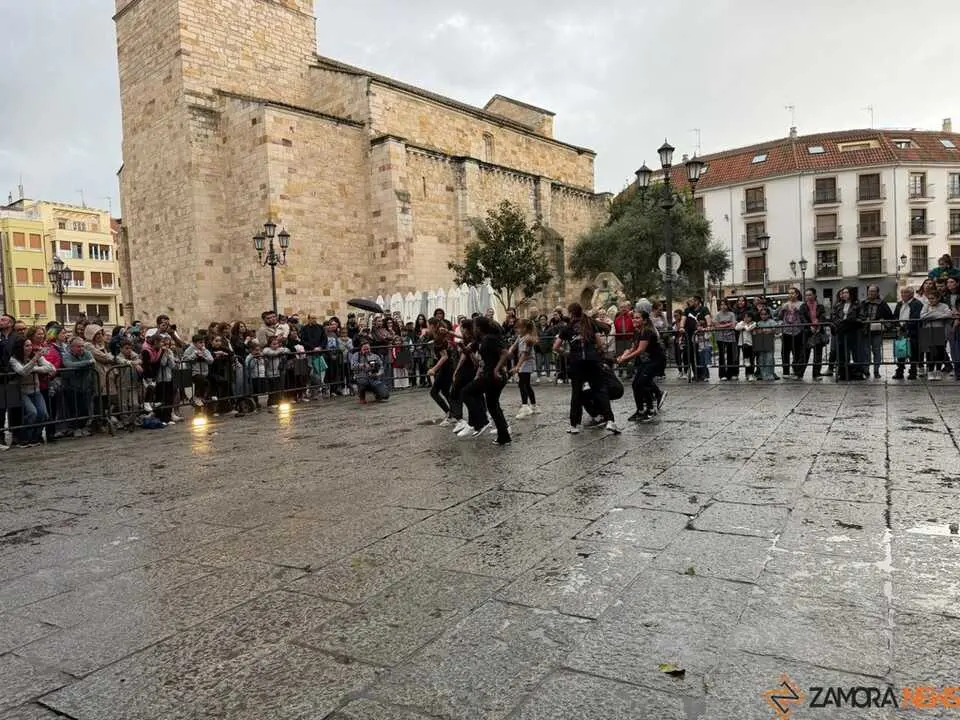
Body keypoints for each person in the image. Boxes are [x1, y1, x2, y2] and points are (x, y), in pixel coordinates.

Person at [553, 302, 619, 435]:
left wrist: (567, 354)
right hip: (593, 361)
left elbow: (556, 347)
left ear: (571, 313)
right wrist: (598, 353)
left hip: (577, 363)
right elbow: (600, 344)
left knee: (576, 393)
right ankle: (610, 421)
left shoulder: (567, 328)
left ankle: (574, 425)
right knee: (600, 390)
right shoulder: (590, 324)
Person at [464, 315, 511, 446]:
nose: (472, 329)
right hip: (493, 375)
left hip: (492, 376)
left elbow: (505, 353)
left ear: (479, 328)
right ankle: (504, 436)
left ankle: (481, 422)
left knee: (466, 392)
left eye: (474, 326)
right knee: (493, 405)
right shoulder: (485, 338)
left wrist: (496, 369)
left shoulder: (489, 339)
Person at [617, 310, 665, 422]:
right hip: (646, 361)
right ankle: (640, 410)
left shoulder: (647, 331)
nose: (634, 320)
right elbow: (633, 348)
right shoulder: (638, 332)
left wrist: (626, 359)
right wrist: (623, 355)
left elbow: (640, 350)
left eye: (638, 318)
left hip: (656, 360)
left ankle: (650, 409)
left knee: (642, 383)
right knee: (635, 384)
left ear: (644, 320)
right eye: (633, 318)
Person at [8, 336, 56, 447]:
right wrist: (34, 361)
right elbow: (22, 371)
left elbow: (51, 368)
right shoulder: (13, 359)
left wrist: (34, 369)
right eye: (26, 345)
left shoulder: (35, 356)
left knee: (43, 414)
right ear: (20, 347)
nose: (30, 348)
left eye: (30, 345)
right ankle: (23, 438)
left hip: (35, 389)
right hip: (21, 391)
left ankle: (35, 437)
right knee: (32, 412)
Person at [860, 284, 893, 379]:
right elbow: (859, 315)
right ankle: (866, 371)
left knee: (877, 351)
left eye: (873, 291)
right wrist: (864, 319)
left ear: (877, 293)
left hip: (877, 331)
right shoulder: (863, 303)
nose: (871, 293)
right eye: (870, 291)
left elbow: (890, 317)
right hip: (865, 331)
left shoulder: (882, 304)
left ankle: (876, 371)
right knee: (865, 352)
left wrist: (884, 322)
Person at [426, 318, 454, 422]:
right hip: (448, 366)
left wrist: (434, 369)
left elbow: (444, 356)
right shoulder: (440, 337)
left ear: (433, 326)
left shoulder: (439, 338)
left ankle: (450, 413)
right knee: (446, 391)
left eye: (428, 325)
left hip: (446, 367)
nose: (427, 328)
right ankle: (453, 413)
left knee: (434, 392)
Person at [920, 290, 953, 380]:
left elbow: (948, 314)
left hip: (940, 330)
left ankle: (938, 371)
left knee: (940, 352)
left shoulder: (944, 306)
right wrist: (938, 314)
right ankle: (930, 371)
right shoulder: (926, 306)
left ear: (938, 298)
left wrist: (932, 315)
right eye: (929, 298)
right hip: (927, 330)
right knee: (930, 353)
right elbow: (922, 316)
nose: (931, 301)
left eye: (933, 299)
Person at [892, 286, 923, 380]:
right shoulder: (899, 304)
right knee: (901, 351)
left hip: (912, 332)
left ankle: (913, 372)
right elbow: (895, 316)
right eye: (902, 293)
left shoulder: (917, 304)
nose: (903, 295)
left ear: (912, 294)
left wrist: (904, 327)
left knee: (913, 353)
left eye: (906, 293)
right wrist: (897, 326)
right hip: (900, 332)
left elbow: (915, 318)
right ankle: (900, 371)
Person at [510, 319, 539, 418]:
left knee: (522, 384)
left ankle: (525, 406)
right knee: (526, 384)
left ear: (524, 328)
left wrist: (517, 366)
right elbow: (514, 346)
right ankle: (534, 405)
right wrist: (509, 352)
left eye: (518, 328)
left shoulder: (527, 339)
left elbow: (524, 355)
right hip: (524, 363)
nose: (517, 330)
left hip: (526, 364)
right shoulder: (520, 337)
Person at [799, 289, 828, 379]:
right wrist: (809, 326)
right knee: (804, 354)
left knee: (818, 354)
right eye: (806, 295)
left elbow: (822, 317)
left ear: (814, 295)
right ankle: (799, 373)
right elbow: (802, 318)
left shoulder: (820, 306)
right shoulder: (803, 306)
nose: (808, 297)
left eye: (810, 295)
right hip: (808, 332)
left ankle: (816, 374)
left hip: (819, 331)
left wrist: (819, 326)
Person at [776, 288, 804, 379]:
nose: (791, 295)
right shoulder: (785, 304)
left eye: (793, 293)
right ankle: (785, 371)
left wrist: (798, 311)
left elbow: (804, 316)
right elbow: (779, 317)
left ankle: (796, 369)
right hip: (786, 331)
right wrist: (782, 310)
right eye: (789, 293)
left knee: (797, 351)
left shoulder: (801, 304)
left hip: (797, 331)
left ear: (797, 294)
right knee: (785, 352)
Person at [713, 299, 738, 380]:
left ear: (728, 305)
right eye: (721, 305)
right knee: (721, 356)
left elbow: (733, 325)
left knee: (731, 355)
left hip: (730, 337)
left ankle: (731, 373)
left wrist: (722, 325)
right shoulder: (717, 315)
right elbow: (716, 325)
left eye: (725, 304)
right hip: (720, 337)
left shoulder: (731, 314)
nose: (723, 306)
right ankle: (722, 374)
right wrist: (728, 324)